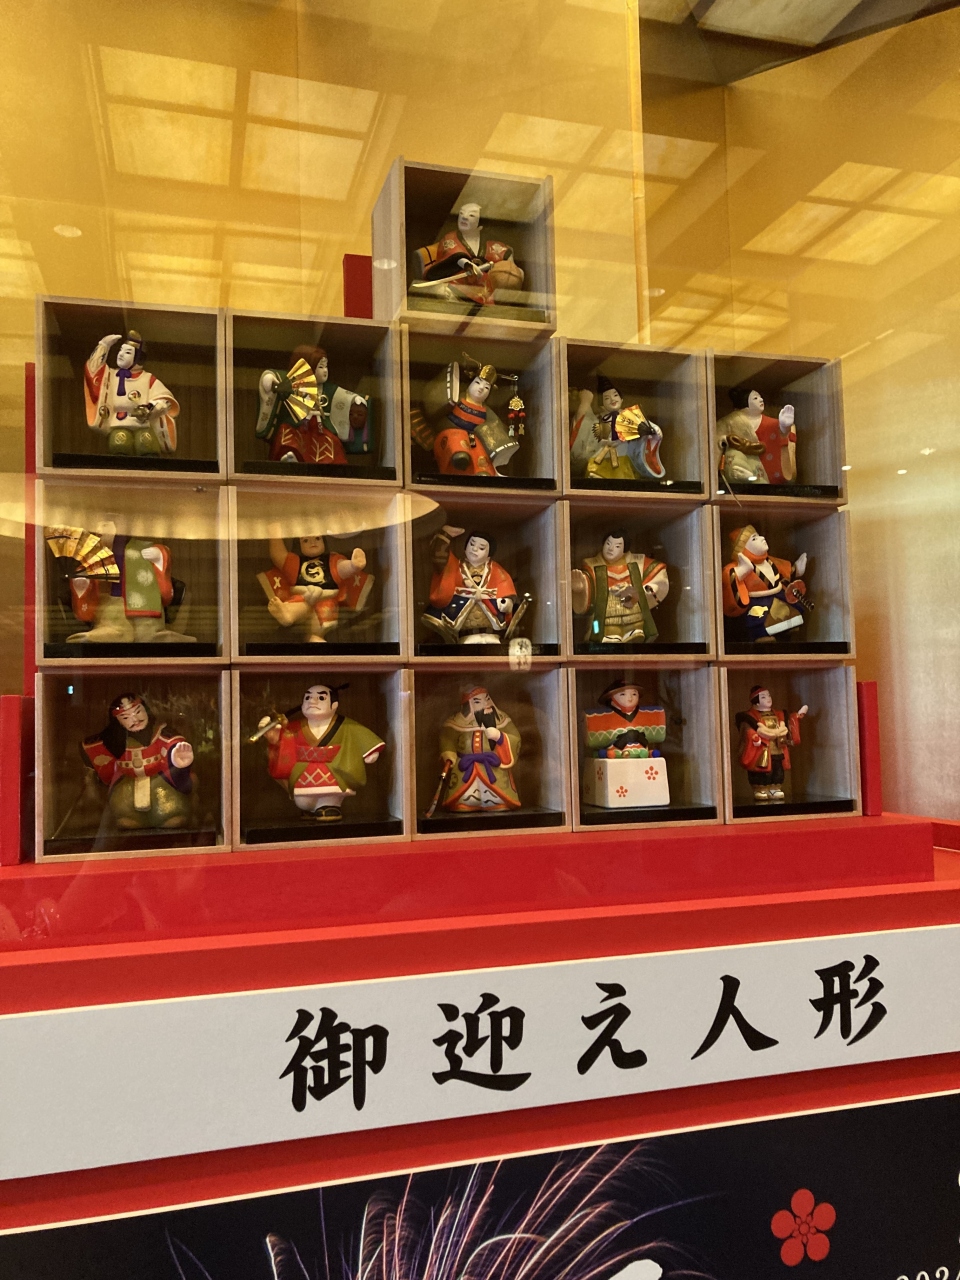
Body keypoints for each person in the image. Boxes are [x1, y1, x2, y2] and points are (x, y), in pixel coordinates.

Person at [48, 518, 195, 645]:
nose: (101, 529)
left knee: (149, 633)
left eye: (106, 524)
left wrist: (158, 556)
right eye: (99, 526)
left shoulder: (141, 546)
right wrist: (82, 583)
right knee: (112, 629)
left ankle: (158, 635)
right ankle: (110, 633)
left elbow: (163, 553)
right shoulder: (94, 553)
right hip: (111, 604)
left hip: (145, 603)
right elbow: (85, 575)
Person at [259, 684, 385, 823]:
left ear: (334, 705)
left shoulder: (346, 725)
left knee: (329, 797)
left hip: (333, 768)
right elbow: (284, 743)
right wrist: (274, 737)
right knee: (302, 801)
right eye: (307, 698)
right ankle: (309, 808)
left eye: (321, 698)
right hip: (303, 770)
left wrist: (370, 751)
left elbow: (361, 735)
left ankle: (329, 806)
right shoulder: (294, 727)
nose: (312, 701)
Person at [82, 693, 194, 829]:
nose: (135, 719)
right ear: (118, 721)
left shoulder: (162, 733)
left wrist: (176, 761)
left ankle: (169, 816)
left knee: (171, 812)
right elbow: (99, 756)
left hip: (160, 781)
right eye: (125, 717)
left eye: (138, 712)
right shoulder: (114, 741)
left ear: (146, 710)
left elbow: (172, 744)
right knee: (125, 814)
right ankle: (129, 818)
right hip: (127, 783)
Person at [256, 346, 370, 466]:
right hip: (299, 425)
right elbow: (277, 377)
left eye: (326, 366)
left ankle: (332, 465)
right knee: (287, 436)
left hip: (320, 427)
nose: (325, 371)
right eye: (320, 367)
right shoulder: (293, 383)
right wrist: (269, 378)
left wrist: (354, 399)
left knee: (333, 441)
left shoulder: (328, 389)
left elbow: (342, 395)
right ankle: (291, 457)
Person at [258, 524, 372, 643]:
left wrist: (353, 565)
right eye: (305, 540)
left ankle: (315, 637)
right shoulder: (295, 562)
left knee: (317, 627)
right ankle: (288, 614)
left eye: (317, 538)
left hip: (325, 601)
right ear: (298, 544)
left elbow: (342, 568)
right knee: (300, 606)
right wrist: (274, 533)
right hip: (302, 598)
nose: (312, 542)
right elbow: (279, 556)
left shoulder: (332, 561)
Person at [84, 330, 179, 458]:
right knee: (119, 445)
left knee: (146, 444)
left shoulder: (147, 379)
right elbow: (93, 369)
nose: (121, 354)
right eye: (121, 350)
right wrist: (103, 346)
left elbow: (166, 400)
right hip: (119, 422)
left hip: (142, 423)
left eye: (127, 352)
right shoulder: (110, 376)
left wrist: (150, 407)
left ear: (138, 358)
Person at [410, 202, 524, 308]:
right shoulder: (450, 239)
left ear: (480, 225)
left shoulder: (494, 245)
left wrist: (511, 272)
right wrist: (466, 264)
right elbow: (453, 256)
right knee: (440, 291)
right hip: (458, 288)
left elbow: (508, 264)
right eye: (461, 213)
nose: (464, 217)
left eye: (471, 215)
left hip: (487, 292)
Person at [421, 527, 519, 645]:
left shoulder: (496, 570)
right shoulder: (455, 566)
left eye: (481, 548)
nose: (474, 549)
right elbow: (438, 556)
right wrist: (445, 536)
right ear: (465, 548)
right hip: (460, 612)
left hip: (491, 615)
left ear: (489, 555)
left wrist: (507, 601)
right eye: (472, 544)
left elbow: (505, 586)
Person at [571, 530, 668, 645]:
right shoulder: (592, 565)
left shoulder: (638, 562)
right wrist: (580, 590)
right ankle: (601, 635)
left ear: (624, 549)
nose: (610, 549)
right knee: (597, 625)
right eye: (608, 544)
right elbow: (588, 595)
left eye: (617, 546)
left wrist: (641, 591)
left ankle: (633, 632)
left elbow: (657, 576)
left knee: (636, 627)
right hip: (602, 619)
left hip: (633, 615)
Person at [437, 685, 521, 812]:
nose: (485, 704)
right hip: (465, 767)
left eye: (487, 699)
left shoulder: (502, 719)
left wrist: (500, 737)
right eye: (478, 701)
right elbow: (447, 738)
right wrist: (448, 752)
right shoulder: (455, 722)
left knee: (497, 793)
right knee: (464, 796)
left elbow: (515, 738)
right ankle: (465, 804)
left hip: (493, 768)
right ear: (468, 705)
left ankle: (496, 803)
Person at [721, 525, 809, 643]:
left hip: (778, 595)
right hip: (758, 601)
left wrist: (796, 569)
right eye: (754, 539)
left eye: (758, 535)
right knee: (759, 619)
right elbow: (728, 579)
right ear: (743, 549)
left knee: (790, 611)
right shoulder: (740, 566)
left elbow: (783, 570)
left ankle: (788, 629)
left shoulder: (769, 561)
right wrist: (742, 570)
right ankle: (760, 636)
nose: (762, 538)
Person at [569, 376, 665, 482]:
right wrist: (585, 403)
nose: (612, 399)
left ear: (621, 399)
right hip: (600, 459)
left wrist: (654, 432)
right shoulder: (598, 420)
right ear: (602, 405)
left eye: (615, 395)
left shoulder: (630, 417)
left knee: (624, 477)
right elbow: (585, 430)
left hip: (622, 457)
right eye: (607, 398)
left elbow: (648, 427)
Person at [736, 685, 807, 802]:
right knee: (760, 770)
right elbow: (747, 729)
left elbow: (788, 721)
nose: (768, 698)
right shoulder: (749, 717)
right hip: (761, 749)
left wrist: (796, 717)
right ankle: (760, 789)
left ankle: (775, 787)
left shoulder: (779, 714)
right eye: (763, 697)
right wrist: (754, 737)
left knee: (777, 768)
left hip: (777, 747)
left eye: (768, 696)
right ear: (756, 701)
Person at [717, 388, 796, 486]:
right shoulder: (730, 422)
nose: (761, 399)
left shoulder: (772, 424)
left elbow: (785, 439)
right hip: (742, 469)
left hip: (768, 475)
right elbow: (716, 442)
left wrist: (784, 428)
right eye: (755, 398)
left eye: (760, 397)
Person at [583, 678, 666, 758]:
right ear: (611, 699)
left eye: (634, 694)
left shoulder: (648, 713)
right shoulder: (603, 716)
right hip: (614, 753)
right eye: (623, 694)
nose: (630, 698)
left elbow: (656, 736)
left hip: (642, 752)